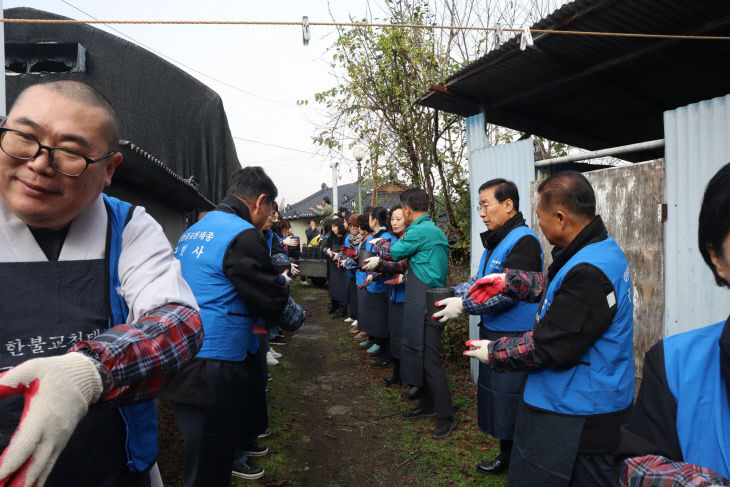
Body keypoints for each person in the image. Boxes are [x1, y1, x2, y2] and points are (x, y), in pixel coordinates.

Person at [0, 80, 203, 487]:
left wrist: (89, 372)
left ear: (109, 169)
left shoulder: (127, 226)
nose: (39, 163)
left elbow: (180, 321)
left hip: (116, 468)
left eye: (71, 153)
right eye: (24, 137)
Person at [464, 171, 634, 487]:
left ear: (560, 217)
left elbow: (550, 345)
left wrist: (493, 351)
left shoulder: (589, 272)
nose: (538, 226)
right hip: (579, 400)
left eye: (541, 218)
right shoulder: (597, 250)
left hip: (579, 411)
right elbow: (552, 288)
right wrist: (507, 279)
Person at [164, 166, 305, 486]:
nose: (271, 216)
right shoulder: (242, 234)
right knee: (212, 461)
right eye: (271, 209)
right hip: (215, 361)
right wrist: (297, 319)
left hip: (182, 352)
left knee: (199, 452)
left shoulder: (195, 230)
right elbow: (269, 299)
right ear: (261, 201)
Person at [617, 162, 730, 485]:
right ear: (718, 259)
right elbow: (635, 461)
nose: (483, 213)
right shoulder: (672, 366)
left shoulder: (593, 261)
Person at [433, 179, 543, 475]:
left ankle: (517, 460)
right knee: (497, 397)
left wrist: (464, 306)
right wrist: (452, 293)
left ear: (508, 205)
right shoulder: (497, 240)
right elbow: (479, 282)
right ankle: (507, 456)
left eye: (486, 205)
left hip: (514, 334)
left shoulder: (524, 241)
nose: (481, 213)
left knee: (512, 398)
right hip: (493, 330)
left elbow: (509, 293)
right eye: (479, 206)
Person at [388, 189, 453, 439]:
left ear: (406, 210)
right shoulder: (433, 229)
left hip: (426, 300)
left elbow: (395, 252)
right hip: (431, 297)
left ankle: (445, 415)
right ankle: (427, 405)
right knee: (421, 352)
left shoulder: (418, 231)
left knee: (430, 359)